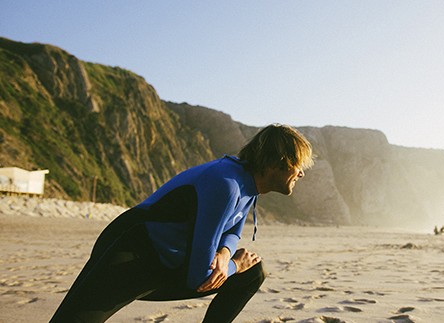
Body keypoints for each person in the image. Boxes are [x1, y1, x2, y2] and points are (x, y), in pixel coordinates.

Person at [51, 124, 314, 323]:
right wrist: (234, 265)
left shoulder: (248, 185)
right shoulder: (226, 184)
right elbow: (197, 277)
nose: (301, 172)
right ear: (277, 162)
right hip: (131, 252)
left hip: (170, 261)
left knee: (254, 272)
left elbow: (234, 231)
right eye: (298, 164)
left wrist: (224, 253)